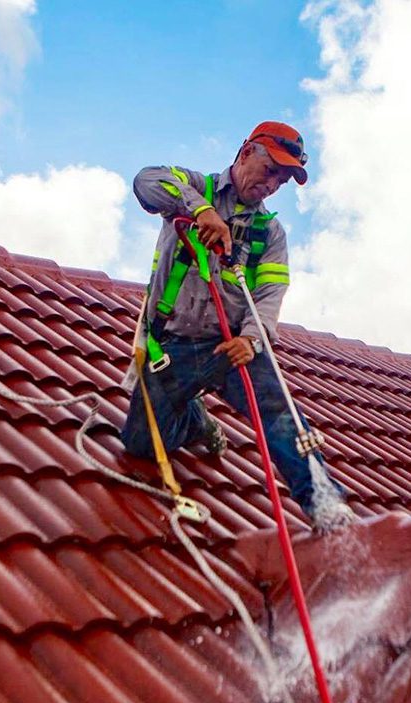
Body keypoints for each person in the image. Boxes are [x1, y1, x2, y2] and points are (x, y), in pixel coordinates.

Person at [122, 121, 354, 531]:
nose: (271, 185)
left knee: (281, 413)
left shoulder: (271, 233)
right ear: (246, 152)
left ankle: (326, 507)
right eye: (269, 172)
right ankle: (195, 420)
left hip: (229, 348)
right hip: (169, 348)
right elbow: (146, 180)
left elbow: (269, 297)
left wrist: (252, 339)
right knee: (139, 444)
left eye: (281, 181)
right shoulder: (195, 187)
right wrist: (201, 211)